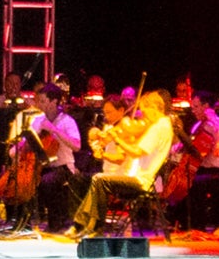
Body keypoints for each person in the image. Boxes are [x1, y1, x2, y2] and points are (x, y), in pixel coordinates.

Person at [67, 91, 174, 238]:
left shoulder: (158, 128)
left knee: (99, 180)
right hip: (140, 178)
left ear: (154, 108)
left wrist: (118, 140)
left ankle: (91, 228)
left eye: (145, 111)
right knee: (97, 180)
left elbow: (136, 152)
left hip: (141, 180)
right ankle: (87, 226)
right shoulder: (163, 125)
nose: (144, 116)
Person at [25, 84, 85, 233]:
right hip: (43, 166)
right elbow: (28, 142)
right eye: (38, 101)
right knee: (24, 179)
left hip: (63, 167)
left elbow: (76, 145)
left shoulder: (67, 121)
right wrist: (18, 147)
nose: (39, 105)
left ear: (54, 102)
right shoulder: (38, 120)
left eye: (43, 101)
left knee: (47, 181)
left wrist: (54, 130)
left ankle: (56, 222)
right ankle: (24, 222)